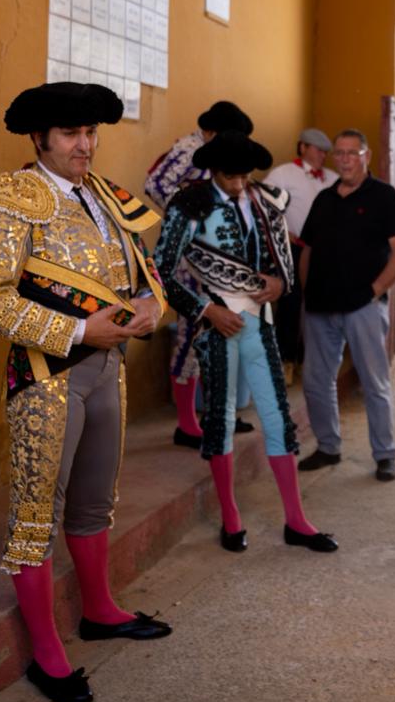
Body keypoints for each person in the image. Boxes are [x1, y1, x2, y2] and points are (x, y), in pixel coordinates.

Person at [0, 82, 172, 702]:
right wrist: (81, 328)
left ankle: (100, 608)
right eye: (73, 135)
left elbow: (143, 271)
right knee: (34, 515)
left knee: (94, 498)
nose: (86, 145)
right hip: (45, 374)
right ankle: (47, 649)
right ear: (40, 140)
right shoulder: (11, 201)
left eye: (91, 134)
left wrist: (148, 308)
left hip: (108, 370)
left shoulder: (103, 196)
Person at [152, 131, 336, 555]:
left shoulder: (264, 199)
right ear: (213, 171)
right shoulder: (189, 203)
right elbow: (159, 269)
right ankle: (231, 517)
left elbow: (281, 262)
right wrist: (204, 311)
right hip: (217, 323)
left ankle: (296, 520)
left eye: (242, 176)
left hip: (259, 322)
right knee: (219, 419)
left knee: (277, 418)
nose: (237, 184)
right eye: (229, 177)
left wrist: (278, 283)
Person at [297, 129, 395, 480]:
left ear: (366, 156)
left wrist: (373, 291)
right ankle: (328, 447)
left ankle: (385, 454)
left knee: (374, 383)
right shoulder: (324, 199)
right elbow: (308, 250)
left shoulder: (384, 197)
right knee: (316, 381)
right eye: (339, 153)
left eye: (352, 152)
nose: (344, 159)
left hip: (362, 306)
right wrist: (306, 290)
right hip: (319, 307)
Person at [144, 100, 256, 447]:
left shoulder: (211, 153)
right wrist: (190, 217)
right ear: (210, 132)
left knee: (221, 336)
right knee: (192, 337)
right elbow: (155, 185)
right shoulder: (188, 150)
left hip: (216, 257)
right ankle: (186, 423)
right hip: (190, 259)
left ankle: (218, 414)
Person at [260, 128, 338, 376]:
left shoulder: (333, 178)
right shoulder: (282, 175)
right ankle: (287, 360)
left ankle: (313, 359)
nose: (322, 156)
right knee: (291, 303)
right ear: (302, 147)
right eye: (317, 150)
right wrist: (282, 233)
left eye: (325, 152)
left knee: (323, 303)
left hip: (325, 250)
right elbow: (264, 208)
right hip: (293, 248)